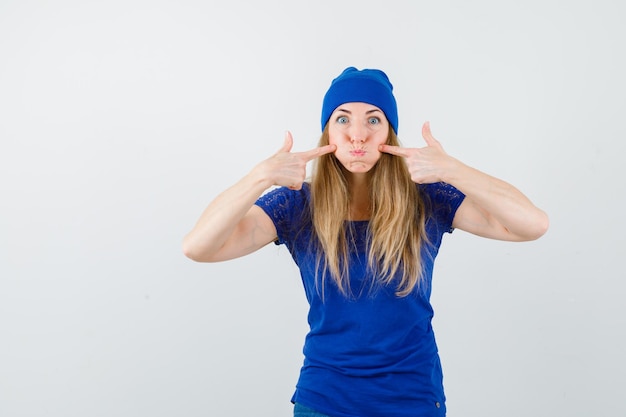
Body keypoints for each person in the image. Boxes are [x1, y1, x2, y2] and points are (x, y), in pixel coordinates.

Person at [182, 67, 549, 417]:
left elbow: (532, 224)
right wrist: (259, 176)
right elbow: (198, 247)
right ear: (327, 131)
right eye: (343, 119)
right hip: (323, 400)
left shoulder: (427, 197)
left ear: (389, 132)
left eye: (373, 119)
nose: (358, 135)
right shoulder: (296, 204)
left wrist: (452, 169)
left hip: (413, 398)